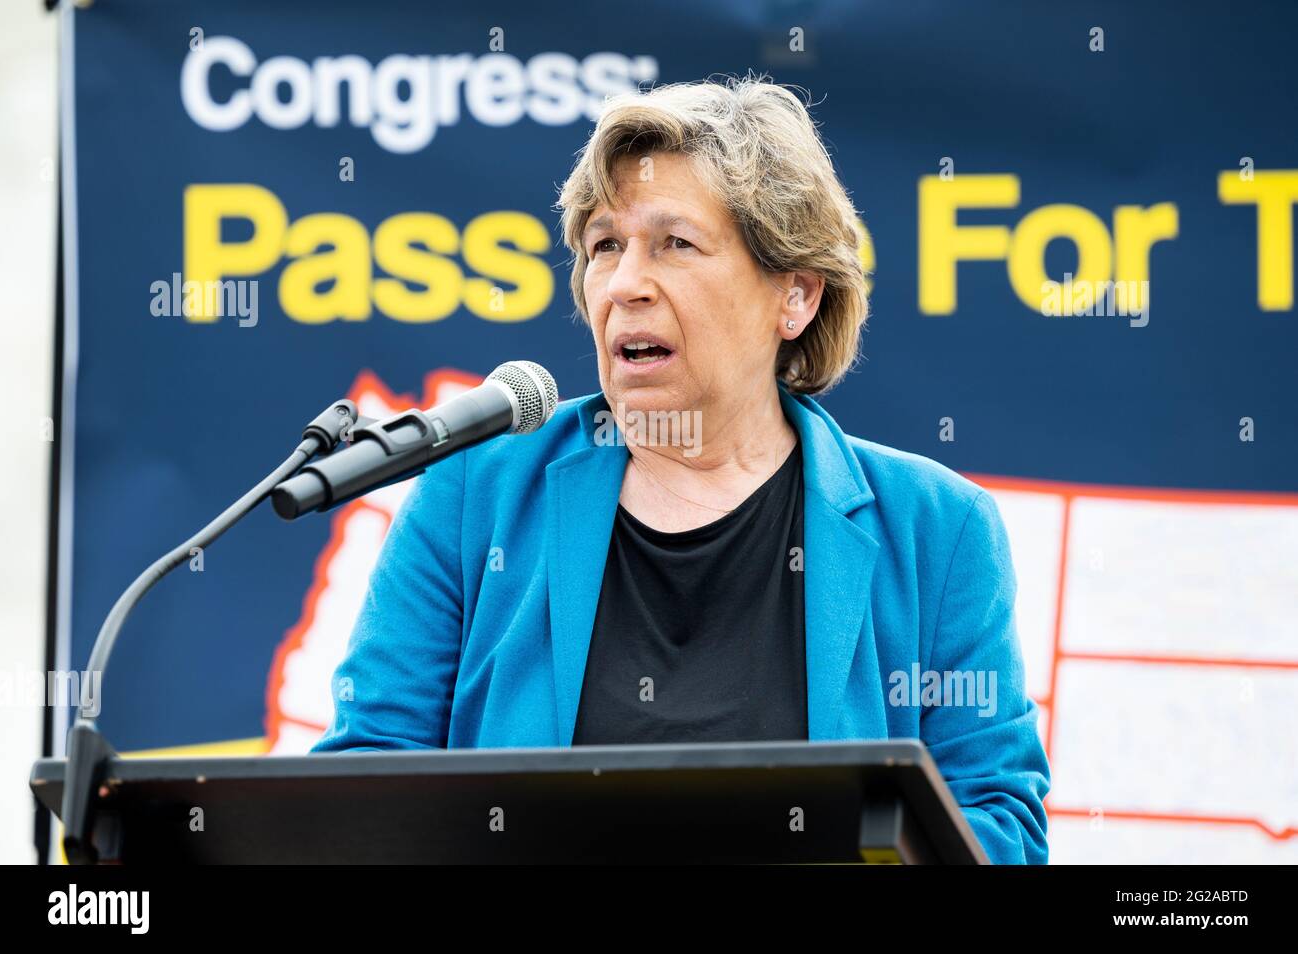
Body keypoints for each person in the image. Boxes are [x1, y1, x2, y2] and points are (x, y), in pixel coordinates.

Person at [312, 76, 1050, 865]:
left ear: (794, 296)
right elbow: (363, 784)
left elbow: (998, 826)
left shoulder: (937, 529)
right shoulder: (474, 493)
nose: (625, 283)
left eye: (675, 244)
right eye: (605, 246)